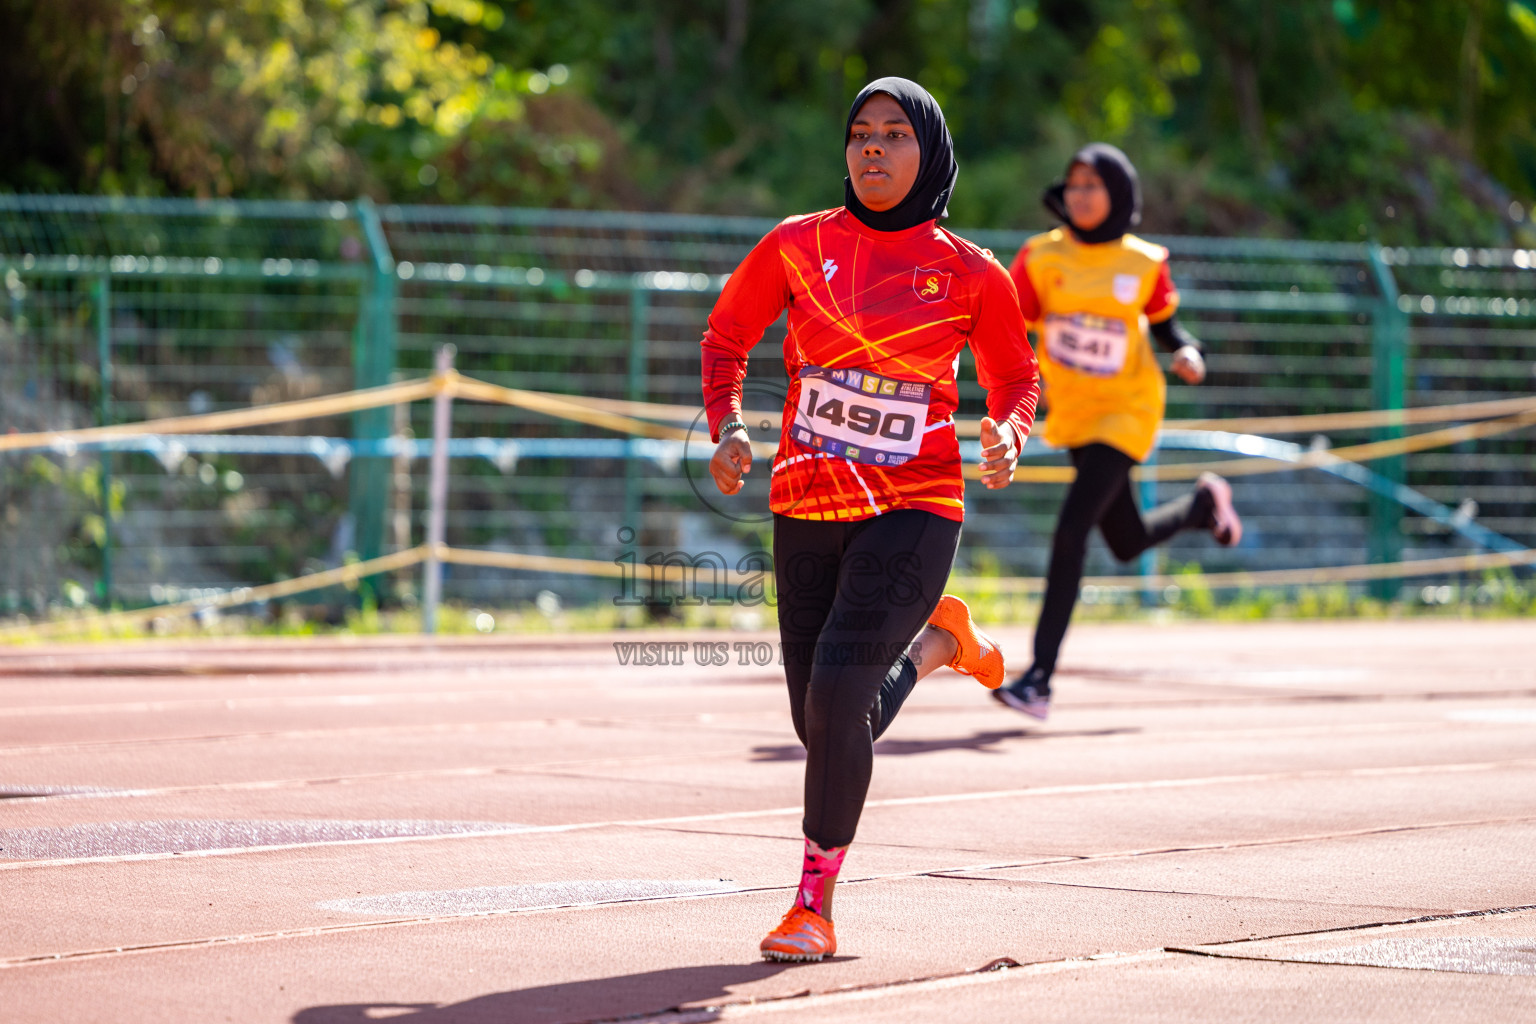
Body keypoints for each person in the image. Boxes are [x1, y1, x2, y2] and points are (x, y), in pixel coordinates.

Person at [701, 77, 1040, 962]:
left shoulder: (972, 272)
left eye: (894, 134)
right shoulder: (796, 246)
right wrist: (728, 425)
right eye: (859, 133)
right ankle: (938, 646)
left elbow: (1015, 378)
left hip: (914, 508)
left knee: (843, 692)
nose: (873, 149)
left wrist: (1006, 431)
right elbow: (725, 339)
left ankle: (812, 905)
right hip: (805, 504)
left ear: (928, 153)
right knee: (818, 721)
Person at [991, 143, 1242, 721]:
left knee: (1071, 531)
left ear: (1118, 193)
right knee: (1124, 540)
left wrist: (1188, 353)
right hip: (1075, 413)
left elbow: (1168, 328)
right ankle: (1203, 506)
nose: (1079, 194)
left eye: (1092, 185)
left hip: (1128, 408)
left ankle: (1038, 680)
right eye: (1073, 184)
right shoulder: (1039, 257)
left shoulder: (1143, 262)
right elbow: (1010, 329)